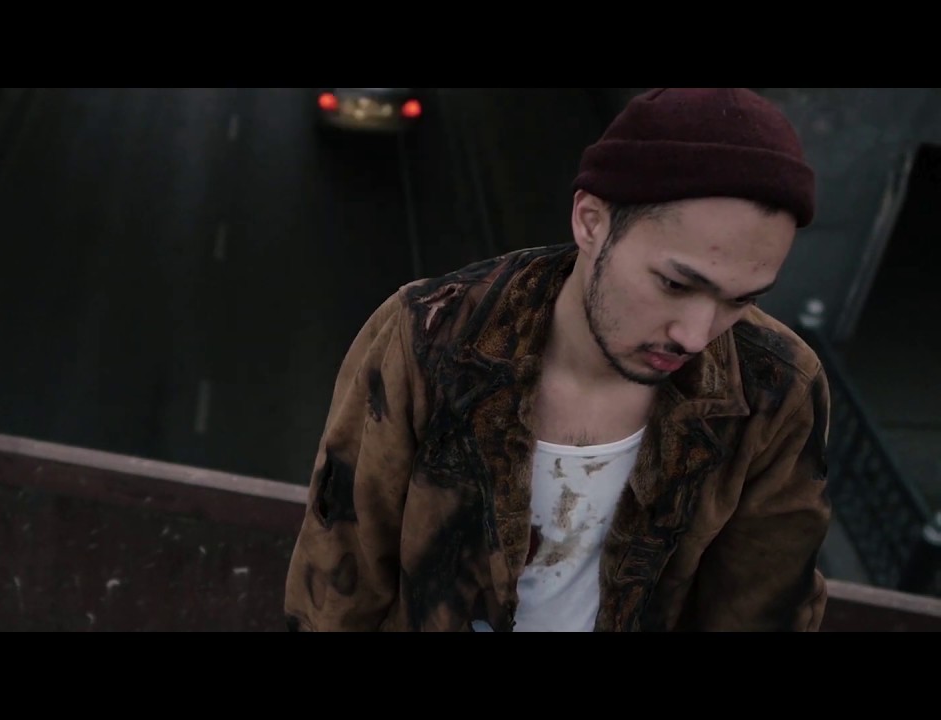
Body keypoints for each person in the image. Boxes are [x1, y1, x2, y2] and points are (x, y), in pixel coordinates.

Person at [284, 88, 833, 632]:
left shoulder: (775, 387)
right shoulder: (430, 334)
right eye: (675, 284)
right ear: (591, 221)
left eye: (740, 300)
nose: (695, 336)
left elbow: (765, 608)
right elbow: (340, 574)